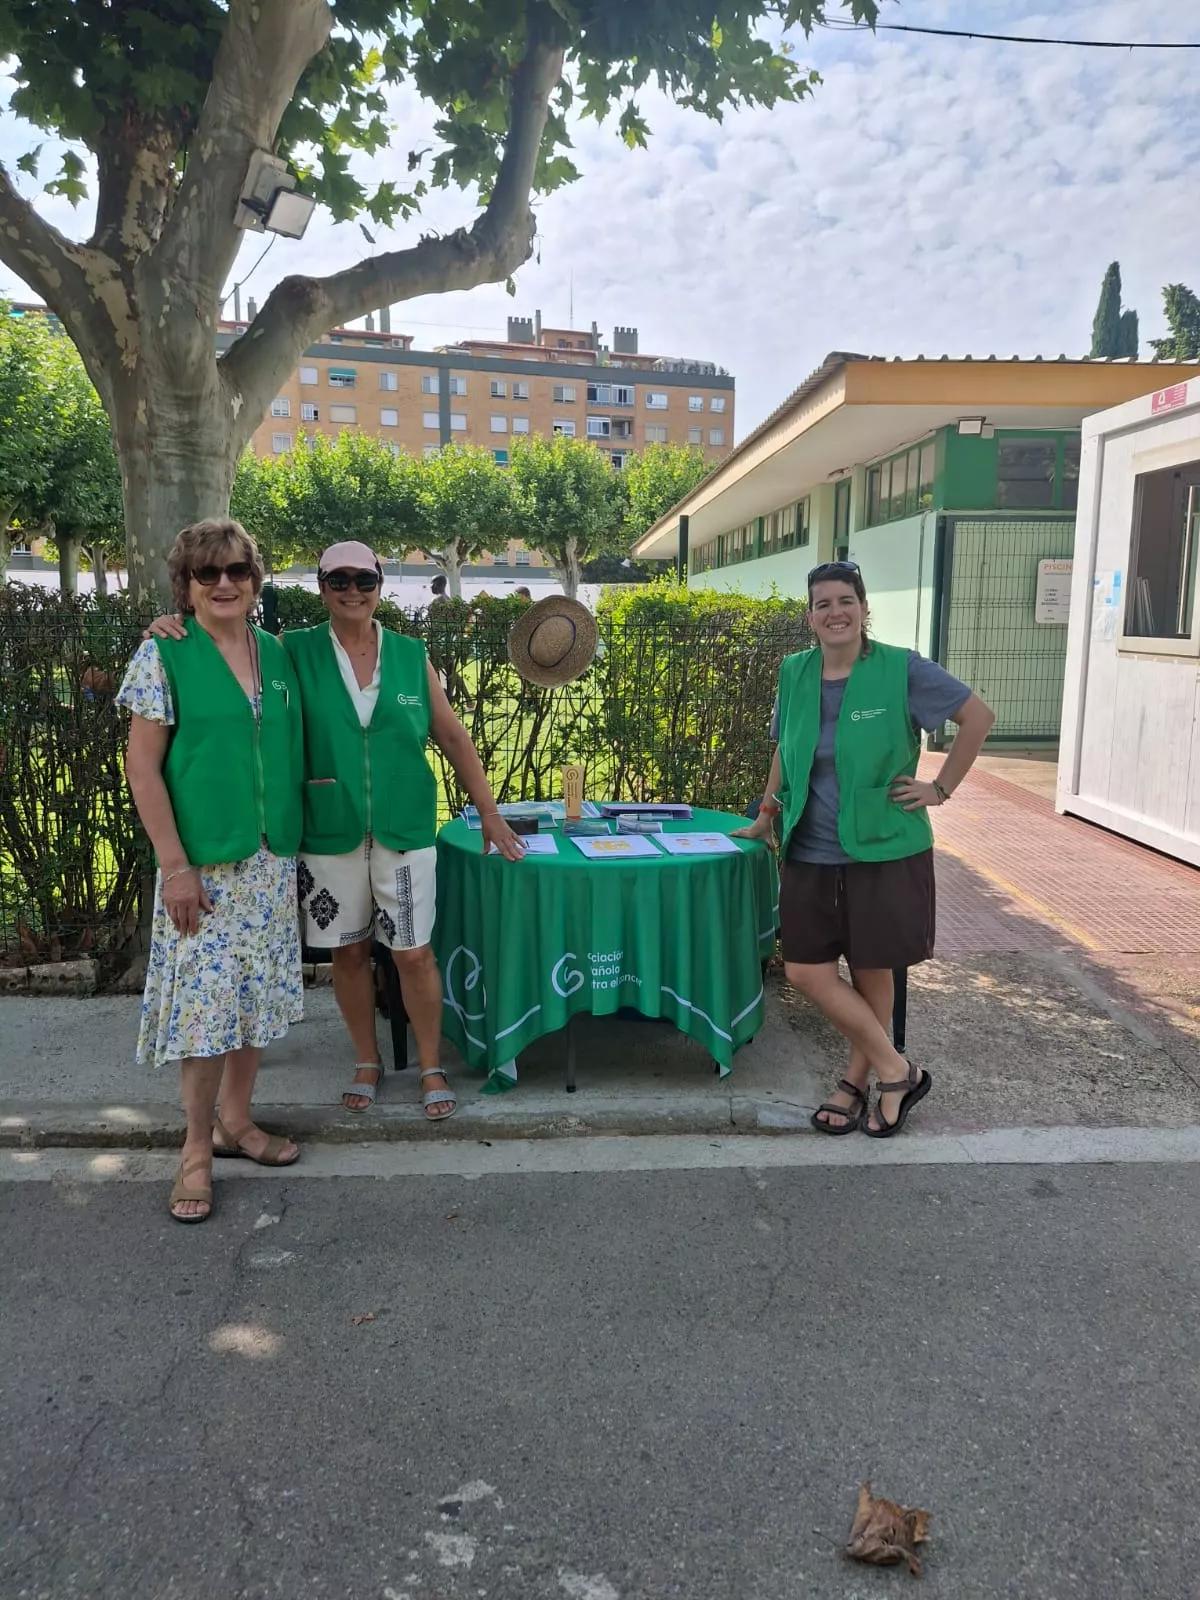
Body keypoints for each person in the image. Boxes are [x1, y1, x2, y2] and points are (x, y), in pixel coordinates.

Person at [149, 541, 524, 1119]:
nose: (352, 590)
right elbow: (225, 644)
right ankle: (366, 1061)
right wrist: (174, 621)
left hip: (404, 832)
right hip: (328, 832)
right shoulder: (291, 651)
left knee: (413, 954)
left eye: (364, 580)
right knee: (347, 954)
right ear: (322, 588)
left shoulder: (409, 654)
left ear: (380, 585)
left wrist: (490, 813)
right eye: (338, 580)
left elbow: (452, 736)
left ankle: (430, 1066)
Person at [735, 560, 995, 1138]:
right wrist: (767, 811)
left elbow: (977, 717)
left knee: (874, 968)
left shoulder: (902, 669)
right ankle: (898, 1069)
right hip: (810, 846)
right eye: (823, 603)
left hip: (884, 848)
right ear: (809, 616)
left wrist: (940, 788)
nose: (835, 612)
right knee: (806, 970)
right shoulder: (794, 672)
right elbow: (785, 747)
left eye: (845, 600)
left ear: (863, 607)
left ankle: (858, 1083)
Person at [118, 519, 305, 1223]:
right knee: (204, 1016)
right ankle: (195, 1147)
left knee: (253, 1002)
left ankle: (237, 1122)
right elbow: (143, 767)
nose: (224, 583)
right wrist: (174, 868)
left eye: (236, 571)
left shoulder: (278, 656)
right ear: (187, 586)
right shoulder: (163, 655)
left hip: (268, 861)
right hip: (203, 868)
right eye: (208, 574)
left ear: (255, 581)